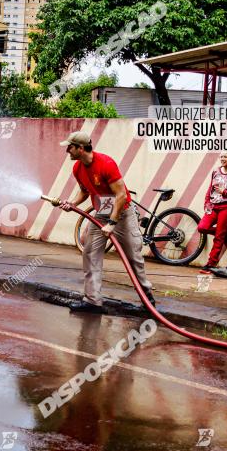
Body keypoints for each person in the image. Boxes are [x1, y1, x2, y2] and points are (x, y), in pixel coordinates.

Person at [58, 131, 155, 314]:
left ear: (80, 148)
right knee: (90, 253)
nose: (67, 151)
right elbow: (84, 191)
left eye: (70, 148)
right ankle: (92, 300)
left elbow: (121, 195)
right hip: (101, 212)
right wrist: (72, 203)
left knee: (133, 257)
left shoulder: (106, 163)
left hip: (123, 213)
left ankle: (147, 301)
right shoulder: (77, 168)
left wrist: (112, 222)